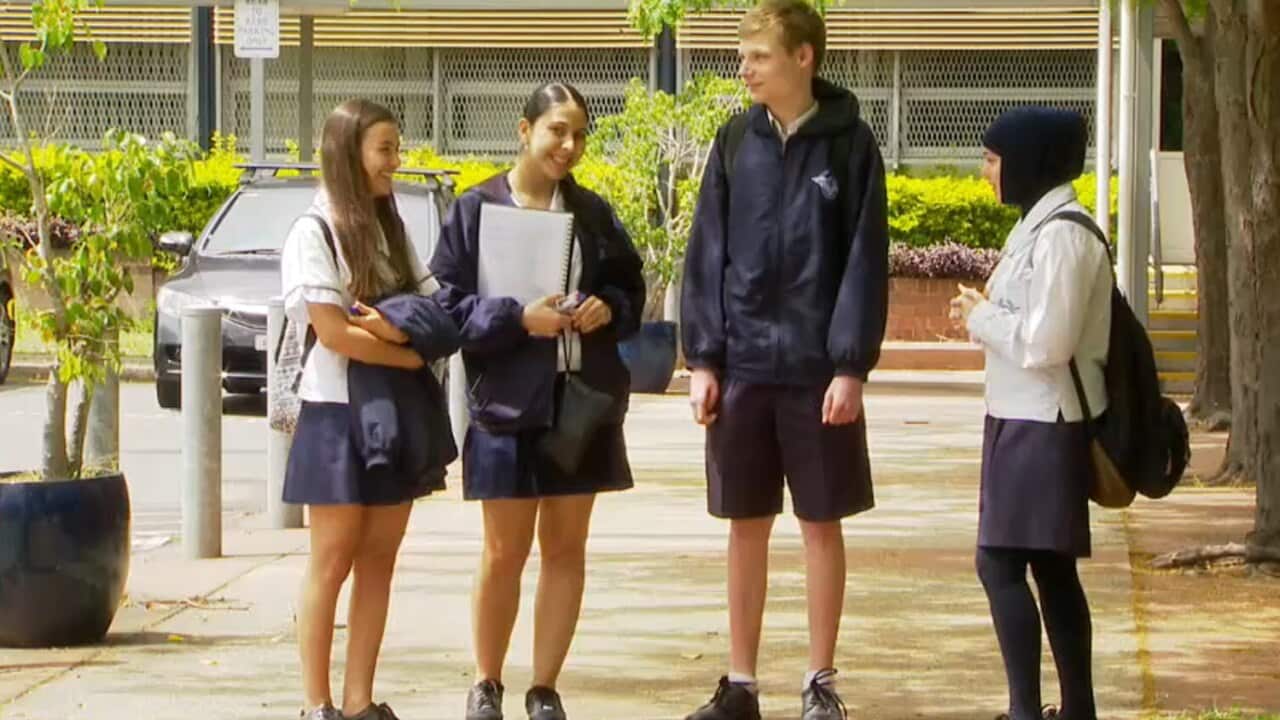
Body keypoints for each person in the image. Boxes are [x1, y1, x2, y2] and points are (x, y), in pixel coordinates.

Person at [679, 1, 890, 718]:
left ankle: (819, 683)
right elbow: (706, 251)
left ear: (803, 58)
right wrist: (703, 358)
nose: (745, 67)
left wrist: (850, 366)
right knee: (745, 522)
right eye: (744, 55)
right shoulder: (734, 140)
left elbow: (865, 260)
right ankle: (740, 683)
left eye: (759, 55)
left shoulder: (851, 145)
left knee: (820, 522)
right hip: (741, 370)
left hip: (815, 373)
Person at [429, 82, 646, 720]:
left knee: (566, 547)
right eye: (557, 131)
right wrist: (517, 319)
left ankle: (545, 686)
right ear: (524, 130)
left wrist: (609, 308)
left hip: (578, 400)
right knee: (504, 549)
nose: (569, 145)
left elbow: (627, 290)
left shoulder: (593, 213)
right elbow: (447, 309)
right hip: (504, 403)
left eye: (579, 134)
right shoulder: (474, 210)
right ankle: (486, 682)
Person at [280, 98, 456, 720]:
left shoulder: (392, 225)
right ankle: (316, 703)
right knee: (331, 562)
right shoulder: (315, 231)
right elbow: (332, 332)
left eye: (396, 148)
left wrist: (398, 331)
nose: (396, 161)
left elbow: (433, 308)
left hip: (395, 413)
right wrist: (405, 351)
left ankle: (359, 701)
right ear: (350, 153)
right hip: (334, 415)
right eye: (385, 149)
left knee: (380, 560)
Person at [949, 106, 1108, 720]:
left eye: (992, 159)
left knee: (1000, 563)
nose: (985, 173)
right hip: (1020, 418)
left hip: (1045, 422)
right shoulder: (1036, 230)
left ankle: (1027, 710)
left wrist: (980, 318)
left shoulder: (1065, 235)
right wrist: (983, 313)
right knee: (1049, 566)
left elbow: (1050, 342)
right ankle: (1075, 710)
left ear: (1030, 161)